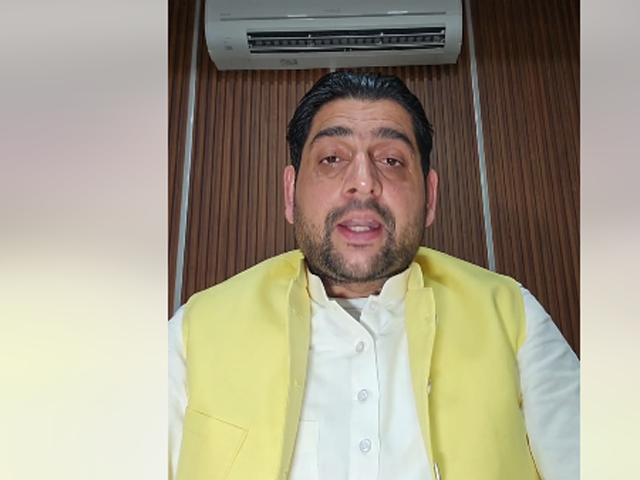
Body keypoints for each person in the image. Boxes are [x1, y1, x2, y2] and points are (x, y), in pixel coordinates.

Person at [168, 71, 579, 480]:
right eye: (332, 159)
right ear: (290, 193)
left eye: (391, 161)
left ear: (430, 197)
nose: (363, 183)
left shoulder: (512, 316)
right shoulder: (194, 332)